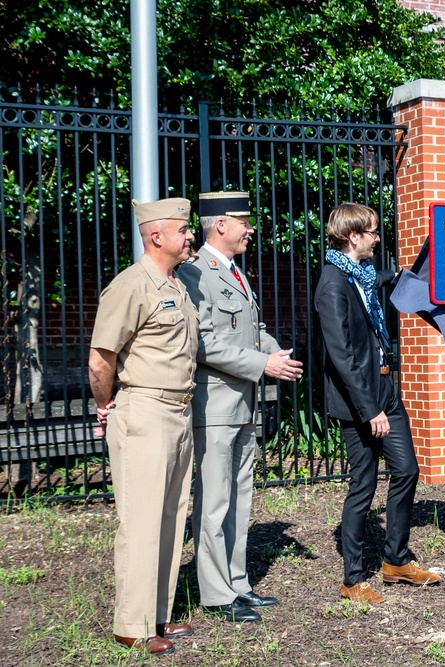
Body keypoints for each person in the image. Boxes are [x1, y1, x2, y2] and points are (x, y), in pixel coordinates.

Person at [177, 191, 303, 623]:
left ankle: (237, 583)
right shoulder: (196, 274)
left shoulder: (232, 271)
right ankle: (215, 594)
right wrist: (261, 363)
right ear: (221, 225)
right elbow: (203, 342)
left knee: (239, 498)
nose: (251, 229)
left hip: (241, 403)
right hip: (214, 405)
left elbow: (253, 329)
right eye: (244, 221)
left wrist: (273, 351)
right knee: (214, 501)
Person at [88, 198, 198, 656]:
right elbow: (100, 359)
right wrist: (107, 404)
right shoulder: (130, 285)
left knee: (171, 516)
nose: (191, 235)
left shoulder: (178, 283)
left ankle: (158, 615)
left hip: (178, 411)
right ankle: (131, 626)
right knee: (141, 521)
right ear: (157, 236)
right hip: (145, 411)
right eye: (184, 229)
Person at [315, 202, 441, 604]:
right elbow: (343, 357)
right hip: (361, 403)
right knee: (363, 485)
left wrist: (406, 274)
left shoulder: (364, 275)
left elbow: (382, 279)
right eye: (371, 232)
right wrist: (371, 410)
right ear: (353, 237)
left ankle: (396, 561)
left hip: (387, 389)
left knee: (407, 470)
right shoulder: (332, 284)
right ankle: (352, 579)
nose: (377, 237)